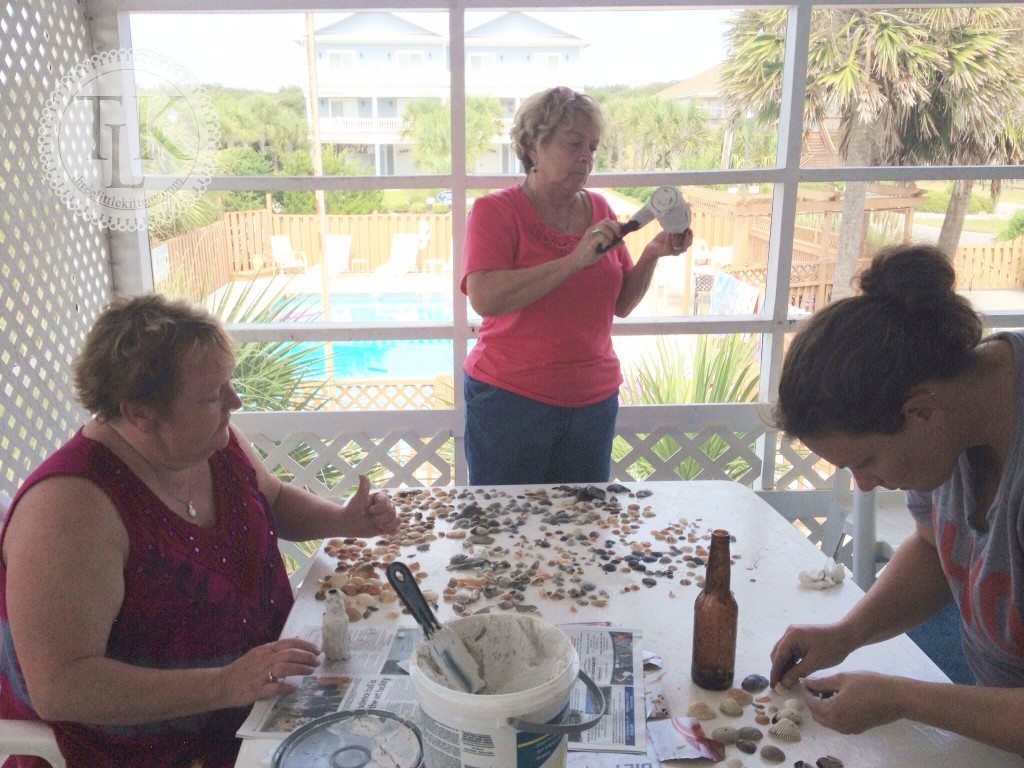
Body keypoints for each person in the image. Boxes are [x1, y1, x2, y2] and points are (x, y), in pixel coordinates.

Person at [0, 294, 400, 768]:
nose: (236, 401)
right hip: (156, 748)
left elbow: (271, 499)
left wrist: (341, 520)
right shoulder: (70, 508)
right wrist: (227, 682)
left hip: (262, 699)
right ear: (140, 413)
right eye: (214, 395)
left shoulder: (209, 441)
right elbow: (61, 687)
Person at [768, 243, 1024, 755]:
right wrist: (847, 633)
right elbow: (934, 549)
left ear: (921, 414)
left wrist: (904, 698)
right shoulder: (952, 408)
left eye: (864, 462)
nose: (863, 485)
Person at [461, 85, 694, 485]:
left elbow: (621, 303)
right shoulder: (494, 211)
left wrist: (653, 252)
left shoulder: (600, 208)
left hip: (592, 403)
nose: (586, 157)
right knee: (507, 533)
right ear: (533, 147)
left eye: (593, 146)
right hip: (510, 402)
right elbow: (485, 298)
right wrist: (572, 262)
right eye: (573, 144)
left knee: (584, 536)